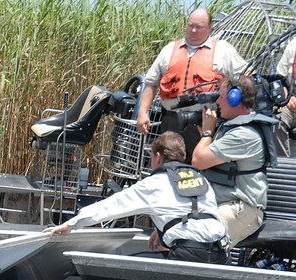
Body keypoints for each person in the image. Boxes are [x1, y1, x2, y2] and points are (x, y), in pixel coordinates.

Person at [46, 131, 227, 263]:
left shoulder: (154, 183)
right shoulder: (200, 179)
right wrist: (164, 227)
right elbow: (195, 213)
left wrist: (72, 223)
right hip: (219, 253)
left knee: (123, 267)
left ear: (157, 157)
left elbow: (112, 205)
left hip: (188, 254)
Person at [136, 7, 247, 150]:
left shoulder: (223, 50)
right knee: (169, 163)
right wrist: (142, 113)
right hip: (171, 121)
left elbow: (246, 78)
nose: (193, 30)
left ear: (209, 27)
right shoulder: (169, 49)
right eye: (191, 26)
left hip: (204, 121)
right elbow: (151, 83)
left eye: (199, 27)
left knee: (200, 167)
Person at [191, 75, 276, 247]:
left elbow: (198, 160)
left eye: (221, 97)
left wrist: (207, 133)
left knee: (197, 243)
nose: (218, 102)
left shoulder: (244, 135)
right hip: (220, 203)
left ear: (234, 98)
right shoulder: (233, 127)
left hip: (241, 209)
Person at [275, 35, 296, 156]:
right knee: (275, 119)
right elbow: (280, 77)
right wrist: (287, 97)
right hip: (292, 104)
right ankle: (282, 164)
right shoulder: (293, 44)